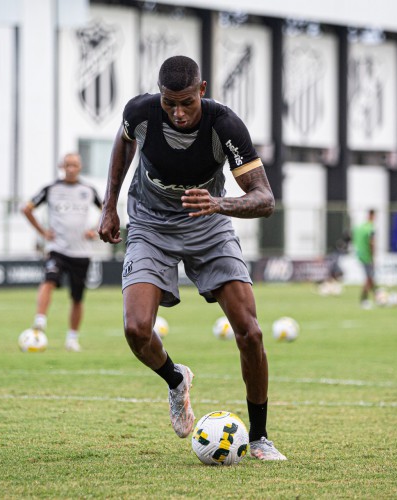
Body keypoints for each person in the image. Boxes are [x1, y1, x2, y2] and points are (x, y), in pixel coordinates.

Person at [97, 55, 286, 460]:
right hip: (150, 224)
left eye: (187, 102)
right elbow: (123, 142)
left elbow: (264, 199)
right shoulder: (140, 112)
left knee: (250, 332)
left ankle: (260, 438)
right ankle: (175, 379)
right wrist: (109, 205)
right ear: (159, 96)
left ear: (202, 90)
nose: (178, 113)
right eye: (170, 104)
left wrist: (219, 204)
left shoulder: (225, 125)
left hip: (209, 224)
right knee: (136, 329)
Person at [22, 153, 102, 352]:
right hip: (57, 249)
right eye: (68, 165)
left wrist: (96, 230)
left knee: (77, 298)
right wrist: (42, 232)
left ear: (80, 167)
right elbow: (26, 209)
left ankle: (72, 339)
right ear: (61, 166)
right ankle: (40, 320)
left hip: (81, 252)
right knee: (48, 280)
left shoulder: (89, 190)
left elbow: (107, 210)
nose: (71, 168)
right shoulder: (51, 189)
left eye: (75, 165)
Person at [353, 209, 376, 309]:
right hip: (367, 256)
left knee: (370, 278)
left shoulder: (361, 227)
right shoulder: (370, 228)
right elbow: (371, 243)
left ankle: (376, 296)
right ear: (373, 216)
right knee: (369, 278)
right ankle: (364, 299)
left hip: (360, 255)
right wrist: (372, 256)